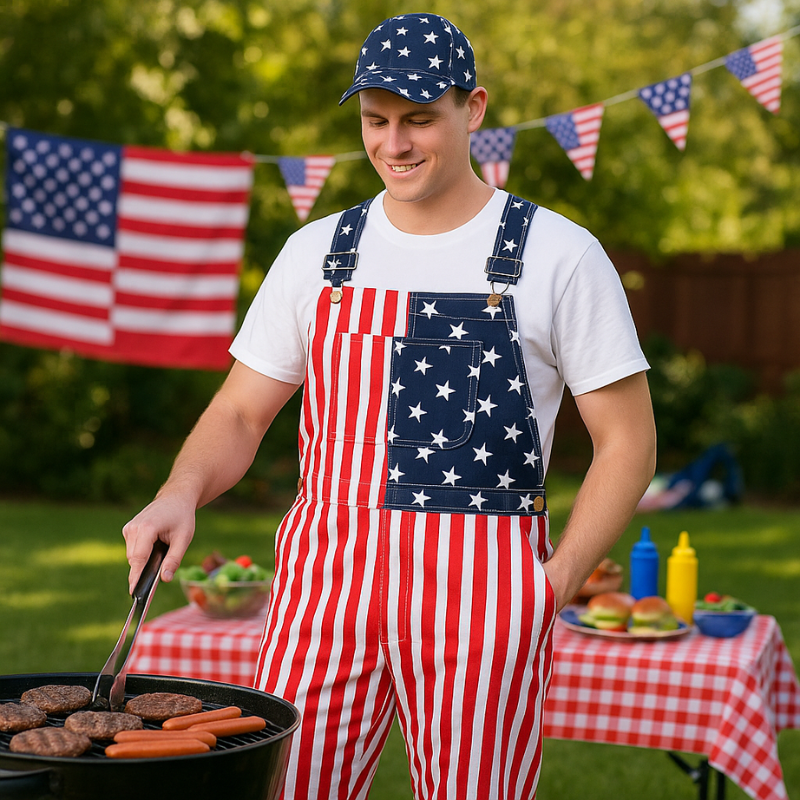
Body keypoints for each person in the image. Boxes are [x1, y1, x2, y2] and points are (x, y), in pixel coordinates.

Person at [123, 12, 656, 800]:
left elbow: (628, 443)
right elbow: (239, 415)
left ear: (472, 109)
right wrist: (179, 492)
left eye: (418, 120)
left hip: (486, 604)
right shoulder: (317, 253)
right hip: (323, 594)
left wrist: (554, 584)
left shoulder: (558, 254)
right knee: (289, 787)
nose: (394, 145)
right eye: (376, 122)